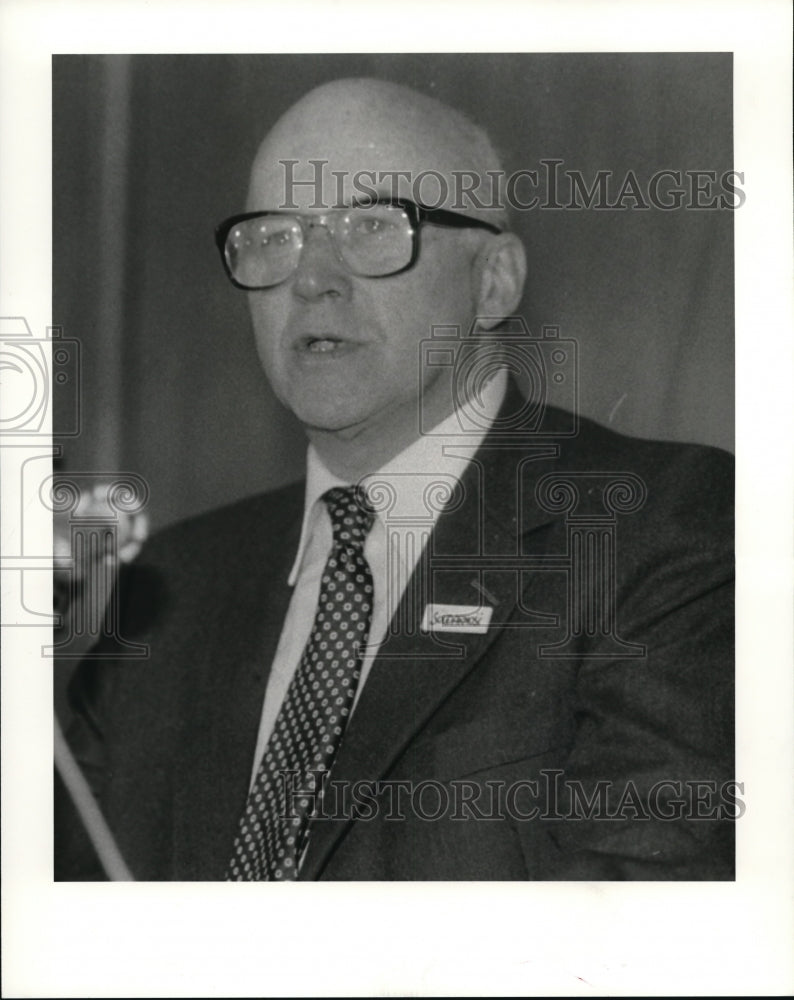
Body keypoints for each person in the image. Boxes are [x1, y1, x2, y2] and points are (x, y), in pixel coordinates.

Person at [55, 77, 735, 881]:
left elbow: (641, 926)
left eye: (371, 226)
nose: (311, 279)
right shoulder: (164, 591)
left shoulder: (657, 529)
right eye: (273, 237)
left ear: (494, 282)